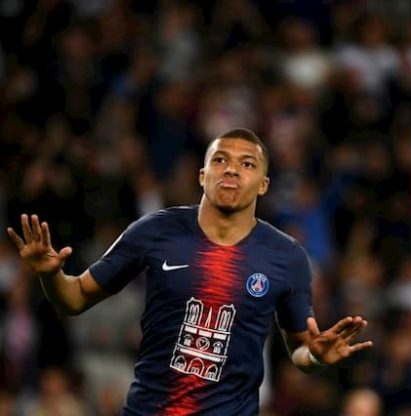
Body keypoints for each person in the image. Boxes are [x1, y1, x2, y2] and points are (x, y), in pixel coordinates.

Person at [7, 128, 373, 415]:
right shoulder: (153, 231)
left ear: (263, 184)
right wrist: (50, 276)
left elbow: (299, 352)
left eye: (247, 164)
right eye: (220, 160)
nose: (231, 169)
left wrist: (316, 357)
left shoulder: (287, 256)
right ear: (202, 175)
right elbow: (75, 299)